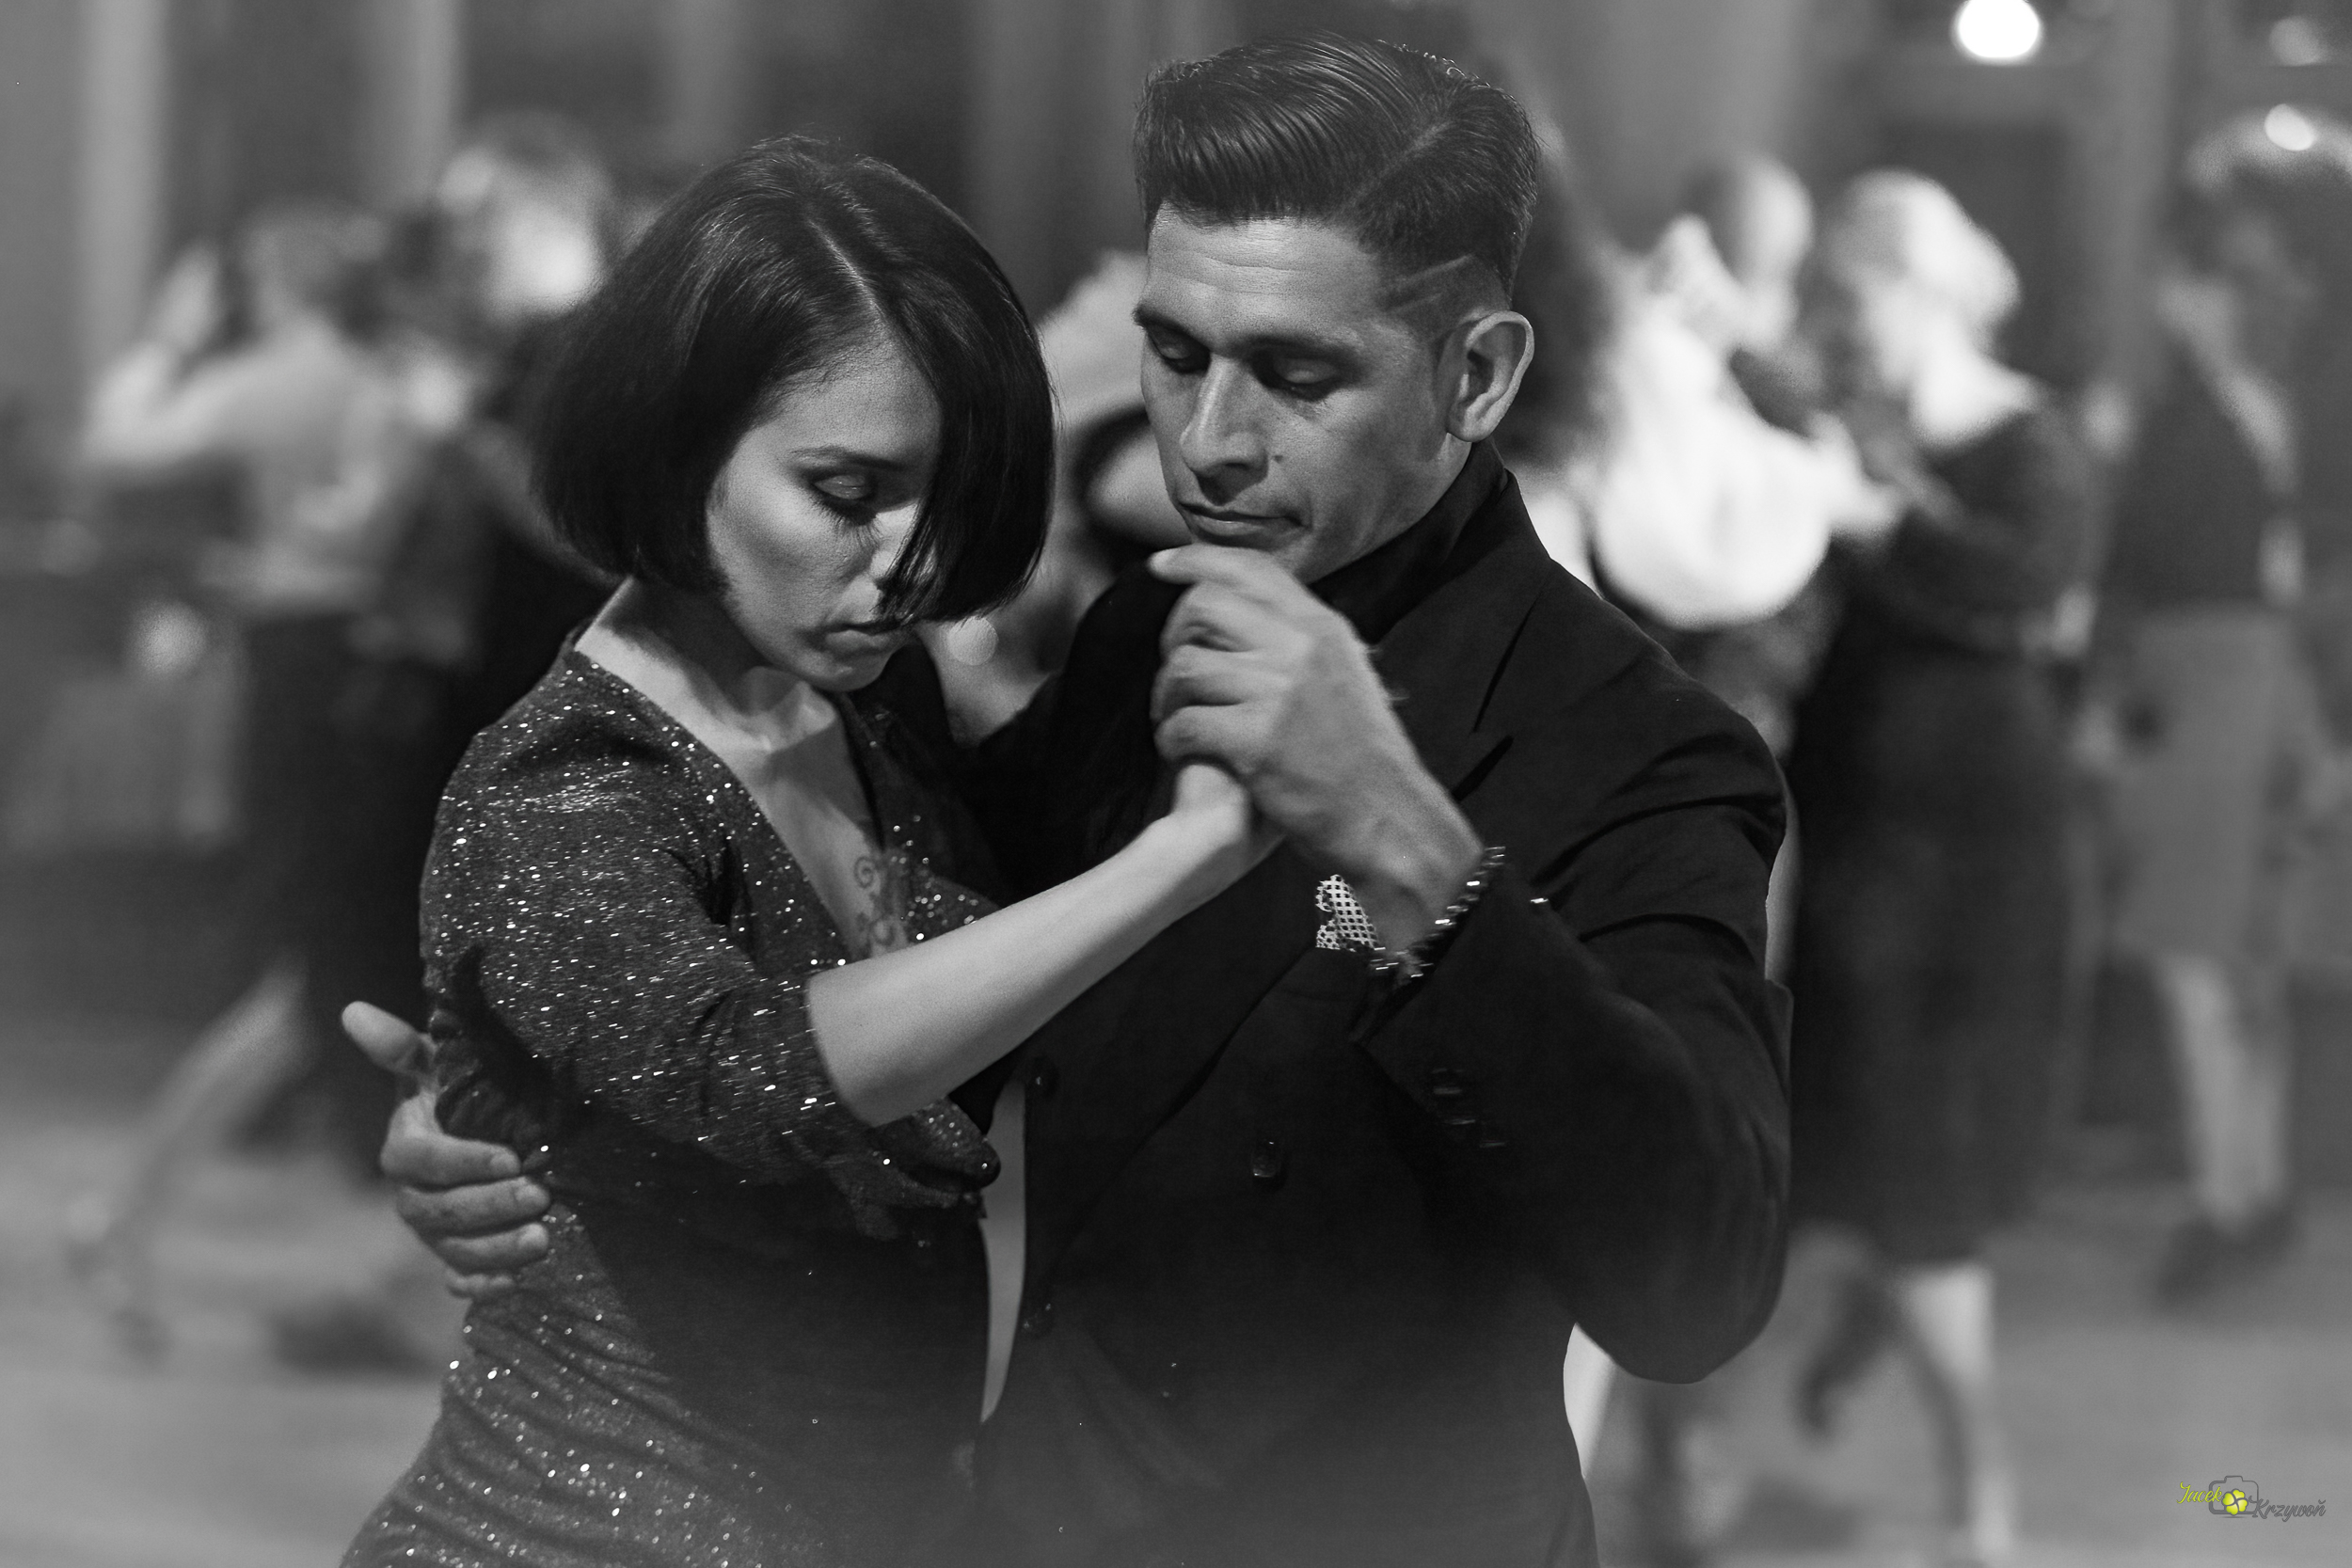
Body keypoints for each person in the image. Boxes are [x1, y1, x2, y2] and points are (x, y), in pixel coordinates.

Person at [360, 36, 1792, 1568]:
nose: (1213, 441)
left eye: (1299, 375)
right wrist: (539, 1127)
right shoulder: (1153, 633)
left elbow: (1697, 1284)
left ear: (1480, 374)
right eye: (1175, 354)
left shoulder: (1635, 746)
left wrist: (1409, 847)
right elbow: (894, 973)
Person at [342, 137, 1275, 1568]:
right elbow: (760, 1072)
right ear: (677, 446)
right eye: (847, 493)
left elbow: (1112, 961)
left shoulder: (869, 699)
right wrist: (1181, 857)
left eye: (946, 499)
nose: (912, 561)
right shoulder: (567, 781)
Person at [65, 203, 448, 1359]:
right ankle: (138, 1223)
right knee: (319, 981)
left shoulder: (281, 378)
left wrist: (172, 340)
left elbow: (116, 441)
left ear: (272, 284)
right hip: (345, 691)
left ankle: (139, 1224)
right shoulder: (378, 381)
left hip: (309, 685)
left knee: (318, 983)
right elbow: (359, 530)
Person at [1780, 172, 2092, 1568]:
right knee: (1861, 1134)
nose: (1846, 333)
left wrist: (1880, 519)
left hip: (1977, 846)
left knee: (1923, 1150)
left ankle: (1980, 1490)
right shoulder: (1859, 426)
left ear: (1921, 294)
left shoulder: (2027, 436)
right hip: (1859, 831)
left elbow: (2029, 582)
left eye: (1857, 305)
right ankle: (1852, 1352)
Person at [2099, 115, 2352, 1306]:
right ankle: (2244, 1184)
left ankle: (2228, 1194)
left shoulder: (2232, 409)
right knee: (2231, 961)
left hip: (2221, 681)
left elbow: (2158, 569)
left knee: (2204, 959)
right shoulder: (2253, 407)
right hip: (2247, 681)